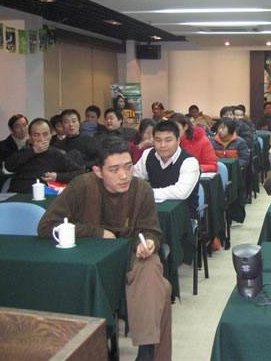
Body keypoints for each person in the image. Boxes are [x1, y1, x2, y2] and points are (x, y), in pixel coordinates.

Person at [37, 137, 172, 361]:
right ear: (98, 171)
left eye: (128, 167)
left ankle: (147, 352)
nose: (124, 175)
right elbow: (46, 227)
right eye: (114, 169)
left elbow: (152, 231)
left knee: (151, 270)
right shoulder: (81, 186)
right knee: (162, 287)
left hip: (130, 253)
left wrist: (149, 243)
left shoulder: (142, 189)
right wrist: (97, 233)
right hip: (89, 259)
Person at [134, 121, 200, 218]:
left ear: (178, 140)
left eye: (168, 140)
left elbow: (181, 192)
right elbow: (134, 179)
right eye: (158, 140)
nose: (163, 145)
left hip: (184, 217)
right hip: (152, 214)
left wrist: (146, 193)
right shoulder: (148, 154)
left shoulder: (189, 162)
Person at [5, 118, 84, 193]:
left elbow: (80, 172)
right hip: (18, 193)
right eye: (36, 135)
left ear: (51, 135)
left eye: (45, 134)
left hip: (44, 195)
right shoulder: (24, 152)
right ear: (30, 137)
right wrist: (33, 151)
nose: (41, 139)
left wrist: (57, 176)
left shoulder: (56, 154)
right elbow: (8, 166)